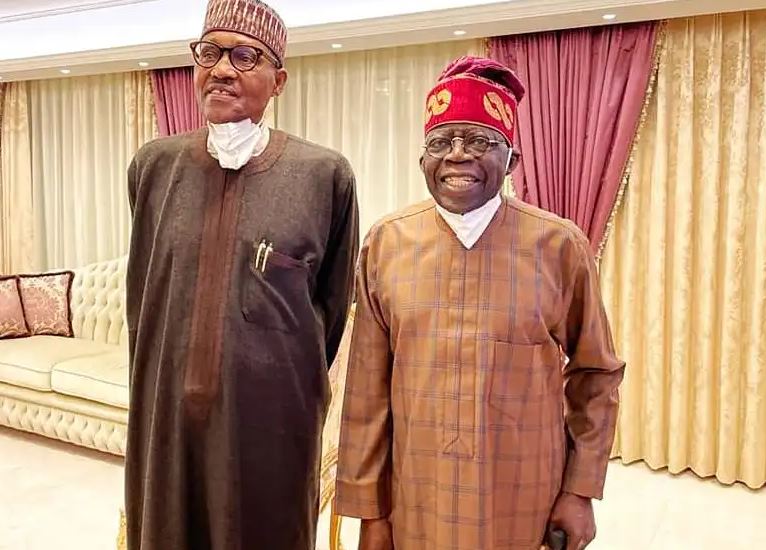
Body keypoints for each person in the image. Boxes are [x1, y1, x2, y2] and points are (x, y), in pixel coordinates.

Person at [335, 56, 625, 550]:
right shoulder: (386, 243)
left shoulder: (559, 245)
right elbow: (367, 391)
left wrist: (580, 491)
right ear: (422, 160)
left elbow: (596, 374)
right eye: (441, 142)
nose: (457, 156)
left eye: (478, 141)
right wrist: (370, 513)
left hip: (525, 493)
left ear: (512, 160)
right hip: (416, 493)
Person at [124, 0, 359, 548]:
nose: (223, 69)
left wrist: (274, 374)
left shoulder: (323, 175)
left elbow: (328, 313)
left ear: (278, 80)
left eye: (245, 56)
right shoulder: (154, 167)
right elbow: (145, 294)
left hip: (271, 420)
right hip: (166, 415)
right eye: (210, 53)